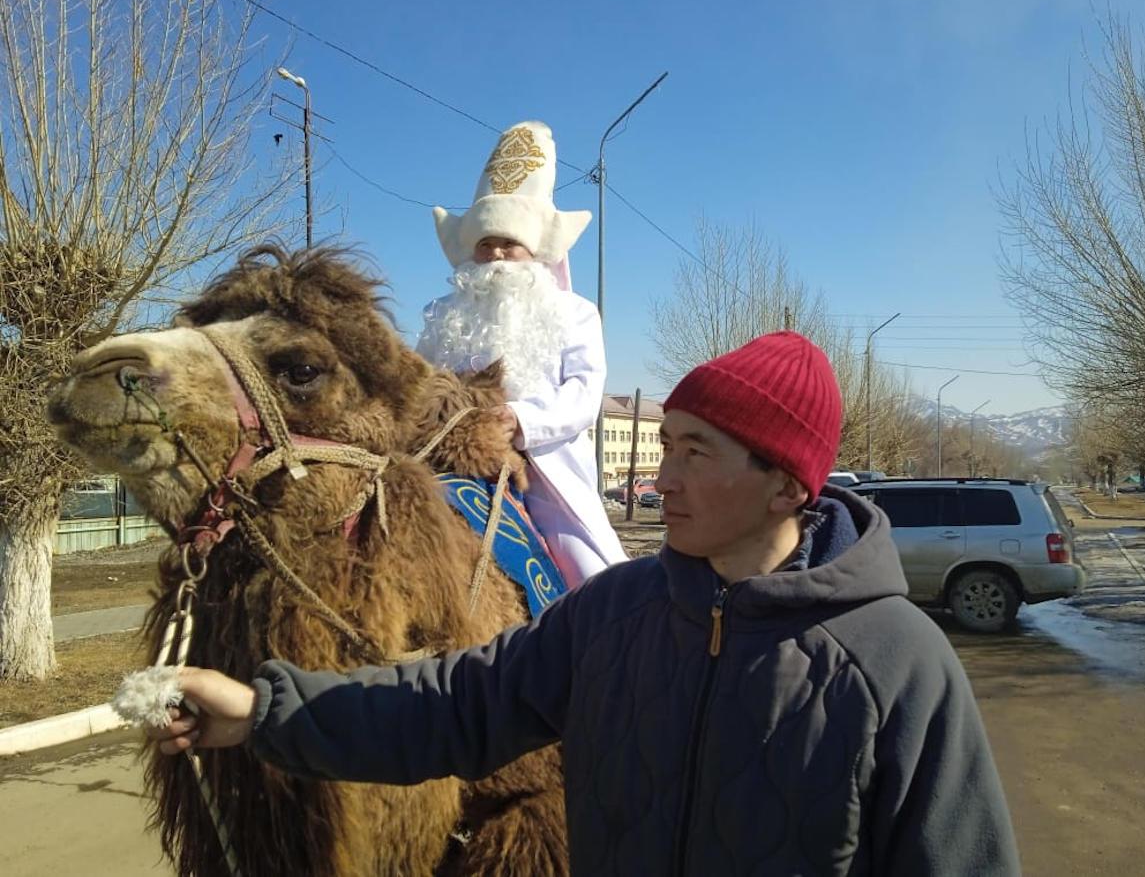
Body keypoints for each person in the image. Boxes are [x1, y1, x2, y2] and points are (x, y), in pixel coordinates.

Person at [149, 331, 1021, 876]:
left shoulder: (896, 665)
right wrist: (264, 712)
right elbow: (454, 704)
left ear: (786, 487)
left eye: (697, 454)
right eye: (665, 445)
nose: (662, 479)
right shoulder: (616, 612)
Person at [414, 120, 626, 587]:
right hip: (449, 463)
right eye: (485, 244)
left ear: (534, 251)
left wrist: (518, 420)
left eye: (508, 244)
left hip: (545, 473)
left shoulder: (576, 313)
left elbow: (584, 394)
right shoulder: (443, 313)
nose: (495, 256)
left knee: (592, 579)